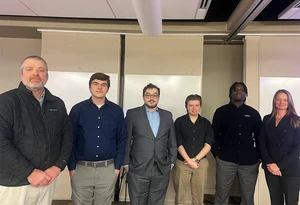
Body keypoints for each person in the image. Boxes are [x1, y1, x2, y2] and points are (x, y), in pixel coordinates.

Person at [0, 55, 73, 205]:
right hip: (15, 183)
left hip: (47, 180)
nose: (35, 73)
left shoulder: (57, 104)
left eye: (41, 70)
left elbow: (67, 138)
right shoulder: (6, 101)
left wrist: (58, 166)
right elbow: (1, 144)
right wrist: (29, 172)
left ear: (47, 76)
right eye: (29, 69)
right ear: (21, 75)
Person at [67, 72, 127, 205]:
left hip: (108, 169)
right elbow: (70, 140)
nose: (99, 87)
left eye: (103, 85)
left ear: (108, 89)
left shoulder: (116, 111)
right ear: (89, 87)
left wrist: (116, 168)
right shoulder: (77, 110)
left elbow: (122, 140)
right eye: (96, 84)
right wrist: (72, 168)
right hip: (81, 169)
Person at [123, 83, 177, 205]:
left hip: (161, 168)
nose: (151, 98)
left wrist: (172, 161)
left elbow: (172, 140)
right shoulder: (133, 114)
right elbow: (126, 140)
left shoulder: (167, 115)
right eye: (148, 95)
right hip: (138, 167)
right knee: (137, 201)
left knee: (157, 201)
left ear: (158, 97)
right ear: (143, 97)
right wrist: (125, 162)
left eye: (154, 95)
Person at [211, 82, 262, 205]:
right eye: (235, 89)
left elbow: (260, 137)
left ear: (246, 94)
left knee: (248, 197)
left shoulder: (253, 113)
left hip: (249, 162)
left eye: (242, 90)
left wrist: (259, 156)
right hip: (226, 160)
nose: (238, 91)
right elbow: (213, 135)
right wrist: (217, 155)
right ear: (230, 93)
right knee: (221, 195)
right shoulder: (221, 112)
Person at [259, 89, 300, 205]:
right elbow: (262, 143)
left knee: (291, 202)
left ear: (289, 102)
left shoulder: (297, 121)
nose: (281, 102)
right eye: (278, 99)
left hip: (291, 169)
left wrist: (279, 166)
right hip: (270, 168)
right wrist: (270, 163)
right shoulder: (267, 119)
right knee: (275, 202)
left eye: (285, 100)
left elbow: (298, 148)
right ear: (274, 101)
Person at [173, 94, 214, 205]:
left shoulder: (206, 123)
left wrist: (195, 160)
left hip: (201, 164)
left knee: (198, 197)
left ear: (200, 106)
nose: (194, 108)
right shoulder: (179, 122)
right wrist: (189, 161)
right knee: (180, 196)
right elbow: (178, 143)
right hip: (182, 162)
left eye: (196, 105)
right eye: (191, 105)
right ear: (186, 106)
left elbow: (208, 144)